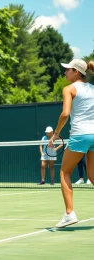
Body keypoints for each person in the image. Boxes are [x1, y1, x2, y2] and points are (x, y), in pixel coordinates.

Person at [49, 58, 94, 228]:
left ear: (76, 72)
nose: (65, 72)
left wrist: (56, 134)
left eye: (68, 69)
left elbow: (65, 114)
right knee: (92, 175)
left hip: (81, 135)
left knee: (64, 172)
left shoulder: (69, 89)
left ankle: (69, 213)